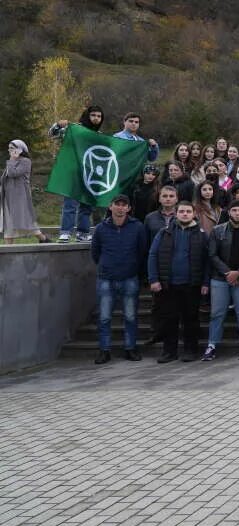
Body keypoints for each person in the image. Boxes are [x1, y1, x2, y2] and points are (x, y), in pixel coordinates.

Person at [147, 200, 209, 363]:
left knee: (191, 319)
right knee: (169, 319)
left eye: (188, 211)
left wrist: (205, 282)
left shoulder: (202, 235)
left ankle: (191, 350)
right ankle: (169, 352)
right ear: (176, 213)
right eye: (182, 211)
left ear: (194, 214)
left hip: (192, 284)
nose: (185, 214)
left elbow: (207, 260)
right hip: (169, 284)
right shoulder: (164, 232)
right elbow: (152, 255)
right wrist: (153, 279)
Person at [89, 194, 148, 363]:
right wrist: (105, 266)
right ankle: (104, 350)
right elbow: (95, 252)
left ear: (129, 208)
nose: (120, 208)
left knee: (130, 316)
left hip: (130, 277)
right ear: (110, 206)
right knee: (104, 317)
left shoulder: (137, 227)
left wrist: (137, 271)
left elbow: (142, 251)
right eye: (117, 204)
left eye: (124, 205)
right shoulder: (101, 228)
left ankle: (130, 348)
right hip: (106, 278)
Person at [203, 199, 239, 361]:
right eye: (234, 210)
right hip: (220, 278)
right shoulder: (217, 230)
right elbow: (212, 255)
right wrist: (228, 273)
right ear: (229, 212)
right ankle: (212, 345)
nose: (237, 213)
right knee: (217, 313)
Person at [51, 106, 105, 242]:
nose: (96, 118)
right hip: (74, 173)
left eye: (99, 116)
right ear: (87, 115)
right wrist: (57, 125)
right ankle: (65, 232)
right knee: (70, 204)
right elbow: (52, 134)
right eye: (93, 115)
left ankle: (83, 233)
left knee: (86, 206)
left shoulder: (100, 135)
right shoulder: (74, 129)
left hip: (91, 175)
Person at [2, 140, 47, 243]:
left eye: (12, 148)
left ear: (19, 149)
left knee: (26, 219)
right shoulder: (12, 161)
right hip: (8, 196)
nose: (10, 150)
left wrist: (12, 159)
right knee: (8, 222)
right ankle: (8, 251)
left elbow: (13, 173)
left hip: (20, 196)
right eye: (9, 148)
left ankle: (43, 239)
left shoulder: (25, 161)